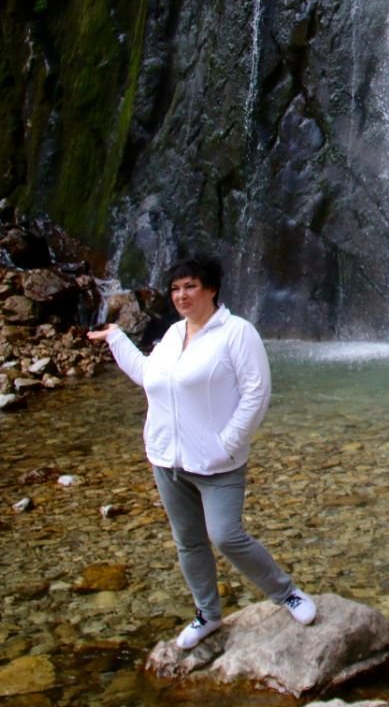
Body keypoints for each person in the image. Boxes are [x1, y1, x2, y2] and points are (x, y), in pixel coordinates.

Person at [89, 256, 315, 649]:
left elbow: (256, 392)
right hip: (166, 459)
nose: (181, 295)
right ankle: (207, 614)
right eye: (176, 289)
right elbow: (148, 376)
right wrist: (116, 339)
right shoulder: (174, 335)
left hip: (218, 464)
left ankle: (287, 593)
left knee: (227, 536)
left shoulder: (237, 333)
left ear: (211, 289)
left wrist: (228, 441)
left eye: (190, 286)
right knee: (188, 541)